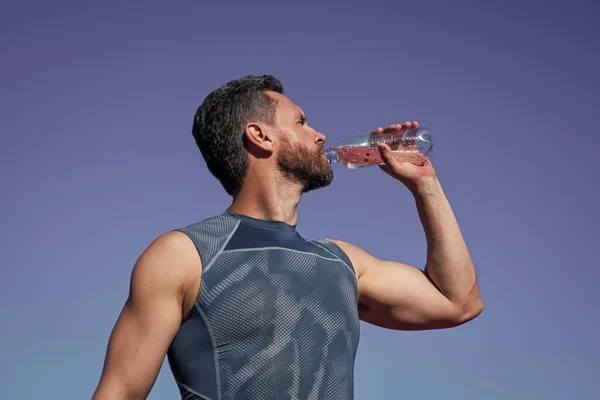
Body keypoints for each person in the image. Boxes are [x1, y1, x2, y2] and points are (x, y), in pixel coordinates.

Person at [92, 75, 483, 400]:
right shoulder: (185, 254)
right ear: (260, 136)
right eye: (301, 122)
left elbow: (458, 302)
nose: (319, 135)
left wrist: (425, 184)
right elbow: (120, 391)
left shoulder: (343, 262)